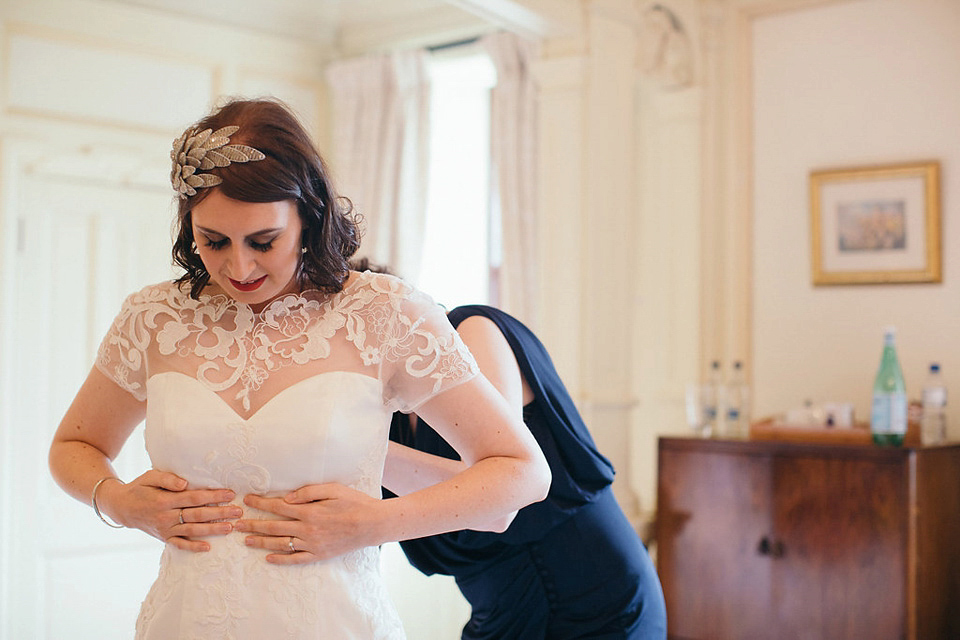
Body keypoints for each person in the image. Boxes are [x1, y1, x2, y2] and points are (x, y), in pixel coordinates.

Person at [48, 98, 551, 640]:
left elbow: (522, 473)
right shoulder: (152, 318)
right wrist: (119, 501)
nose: (238, 267)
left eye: (263, 241)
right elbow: (72, 447)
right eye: (213, 241)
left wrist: (373, 523)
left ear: (308, 216)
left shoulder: (385, 314)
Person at [358, 263, 667, 639]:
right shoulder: (384, 415)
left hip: (597, 602)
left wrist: (360, 447)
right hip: (502, 616)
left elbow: (500, 504)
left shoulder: (472, 333)